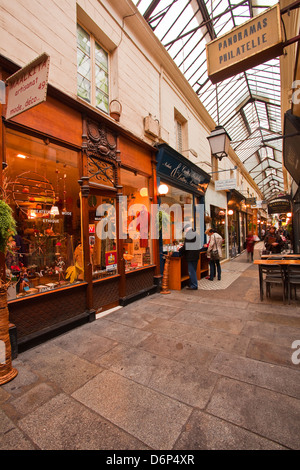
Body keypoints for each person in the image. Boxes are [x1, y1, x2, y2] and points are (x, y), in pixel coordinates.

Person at [179, 222, 201, 290]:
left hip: (191, 256)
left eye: (184, 230)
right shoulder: (196, 234)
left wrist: (179, 249)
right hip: (195, 255)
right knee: (193, 270)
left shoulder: (189, 235)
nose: (185, 232)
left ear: (186, 229)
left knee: (191, 271)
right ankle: (191, 284)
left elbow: (186, 247)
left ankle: (194, 285)